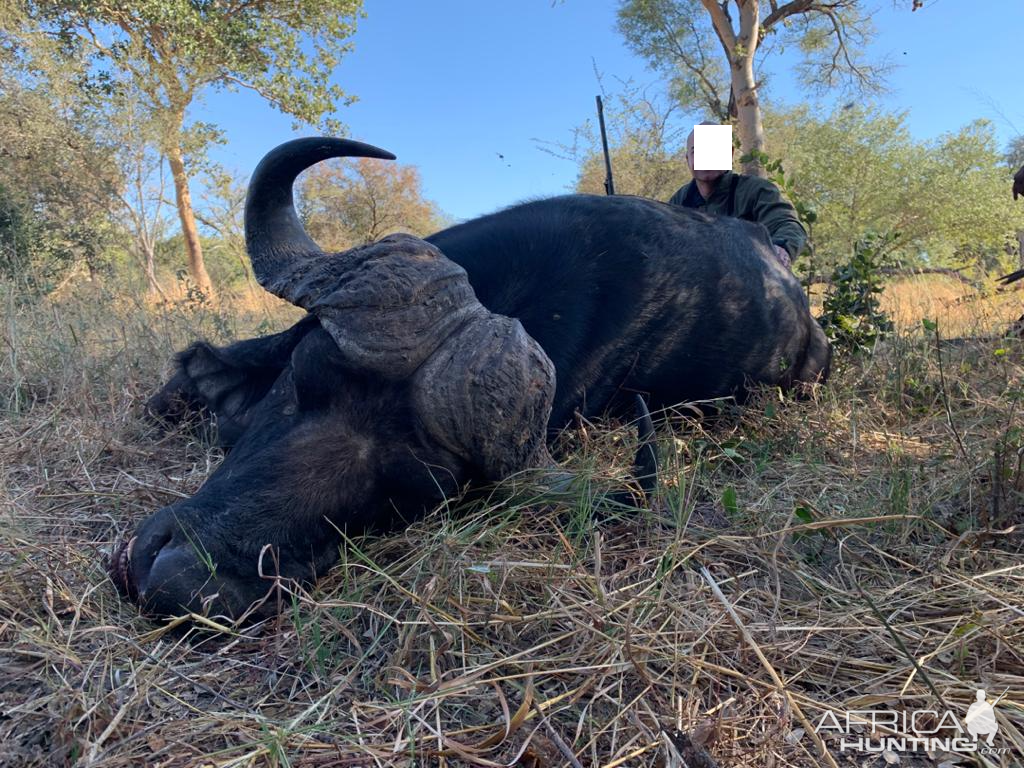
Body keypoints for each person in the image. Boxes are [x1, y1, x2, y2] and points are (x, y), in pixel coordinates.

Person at [669, 121, 806, 269]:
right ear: (688, 159)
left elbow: (788, 225)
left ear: (730, 154)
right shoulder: (677, 202)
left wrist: (780, 249)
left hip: (748, 280)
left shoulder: (756, 190)